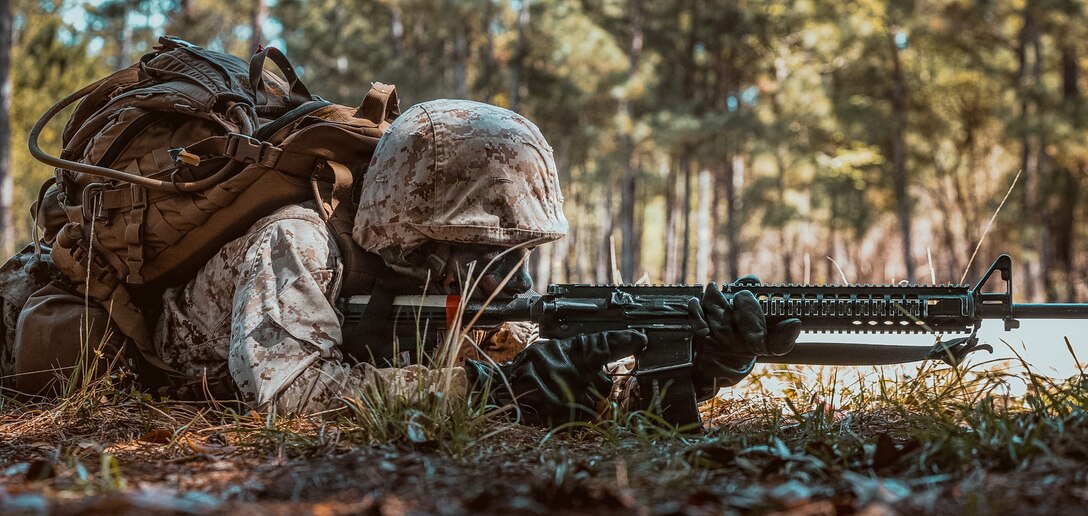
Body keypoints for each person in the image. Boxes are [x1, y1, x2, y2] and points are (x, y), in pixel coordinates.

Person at [6, 98, 801, 426]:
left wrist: (699, 368)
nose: (499, 270)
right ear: (418, 226)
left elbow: (549, 395)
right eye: (480, 248)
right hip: (107, 341)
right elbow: (289, 396)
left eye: (508, 249)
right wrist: (488, 388)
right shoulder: (299, 241)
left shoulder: (445, 275)